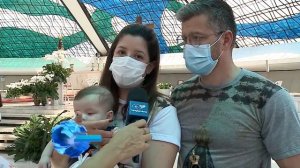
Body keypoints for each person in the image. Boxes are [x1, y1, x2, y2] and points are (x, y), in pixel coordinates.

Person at [171, 0, 300, 168]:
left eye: (197, 38)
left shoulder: (268, 98)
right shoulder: (180, 95)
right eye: (185, 40)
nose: (188, 47)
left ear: (225, 39)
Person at [84, 24, 181, 168]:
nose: (127, 60)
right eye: (122, 52)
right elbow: (71, 144)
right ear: (112, 58)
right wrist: (80, 137)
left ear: (150, 67)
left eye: (138, 56)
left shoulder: (161, 112)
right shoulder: (92, 100)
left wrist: (117, 150)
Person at [38, 86, 115, 168]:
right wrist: (45, 157)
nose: (82, 117)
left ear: (108, 116)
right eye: (77, 113)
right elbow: (54, 141)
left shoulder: (112, 132)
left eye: (90, 113)